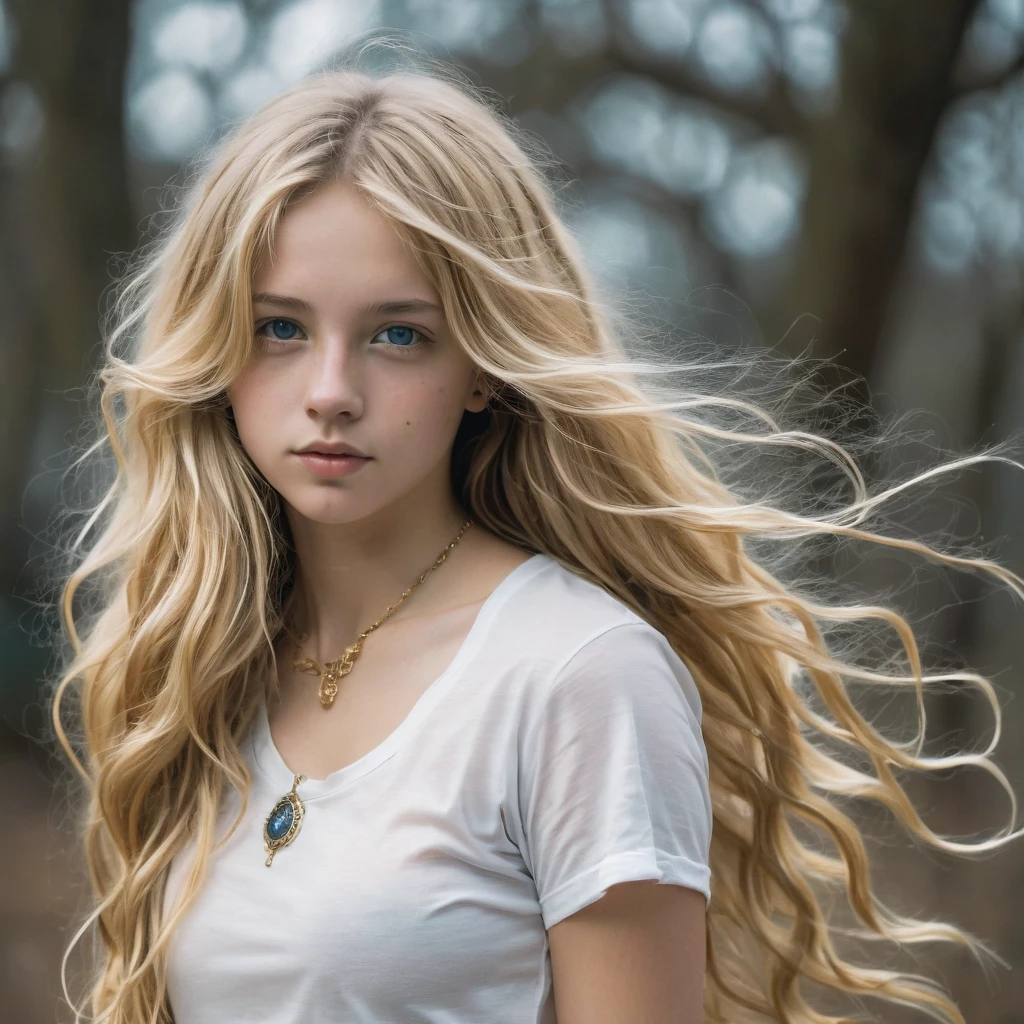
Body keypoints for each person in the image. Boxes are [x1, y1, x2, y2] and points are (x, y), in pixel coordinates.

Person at [47, 40, 1023, 1024]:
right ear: (216, 346)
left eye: (398, 334)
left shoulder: (579, 675)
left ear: (482, 364)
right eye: (281, 328)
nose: (330, 393)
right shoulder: (199, 663)